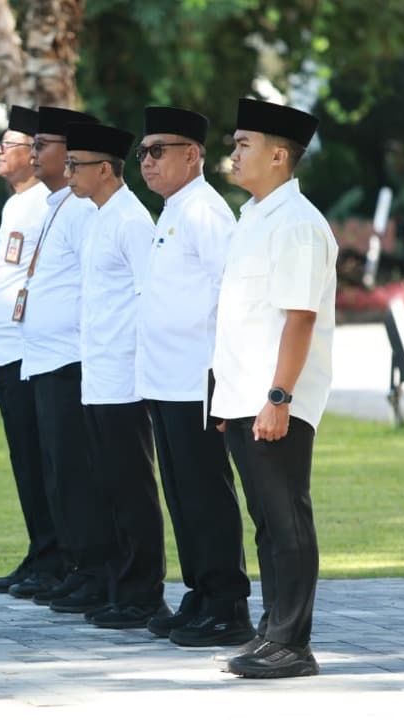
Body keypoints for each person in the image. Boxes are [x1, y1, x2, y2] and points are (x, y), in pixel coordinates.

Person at [211, 98, 337, 678]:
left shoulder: (298, 224)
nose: (233, 154)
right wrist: (228, 399)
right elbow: (242, 316)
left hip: (276, 399)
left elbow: (299, 317)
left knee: (286, 517)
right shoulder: (253, 215)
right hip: (245, 396)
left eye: (244, 144)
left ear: (279, 156)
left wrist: (278, 398)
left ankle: (293, 642)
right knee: (266, 518)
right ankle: (272, 631)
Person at [134, 106, 255, 647]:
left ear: (193, 154)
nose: (147, 162)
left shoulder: (205, 210)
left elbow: (231, 292)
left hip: (196, 377)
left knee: (205, 489)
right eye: (142, 153)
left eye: (158, 151)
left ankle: (227, 603)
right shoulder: (173, 209)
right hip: (165, 377)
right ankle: (200, 593)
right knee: (181, 492)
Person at [59, 120, 170, 627]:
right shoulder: (98, 215)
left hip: (124, 375)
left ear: (106, 169)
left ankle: (143, 592)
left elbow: (150, 296)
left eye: (76, 165)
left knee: (132, 487)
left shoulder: (130, 219)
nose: (69, 173)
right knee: (107, 484)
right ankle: (117, 586)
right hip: (97, 371)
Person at [4, 106, 102, 609]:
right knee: (54, 472)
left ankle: (87, 568)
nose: (35, 152)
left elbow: (94, 287)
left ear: (71, 152)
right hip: (42, 359)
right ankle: (70, 564)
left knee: (74, 473)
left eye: (44, 144)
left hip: (70, 360)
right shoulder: (54, 205)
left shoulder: (82, 209)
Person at [0, 105, 63, 594]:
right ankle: (40, 551)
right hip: (5, 349)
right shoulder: (18, 203)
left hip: (27, 350)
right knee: (24, 458)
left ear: (33, 156)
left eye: (9, 144)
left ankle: (55, 556)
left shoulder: (44, 203)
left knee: (41, 458)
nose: (0, 150)